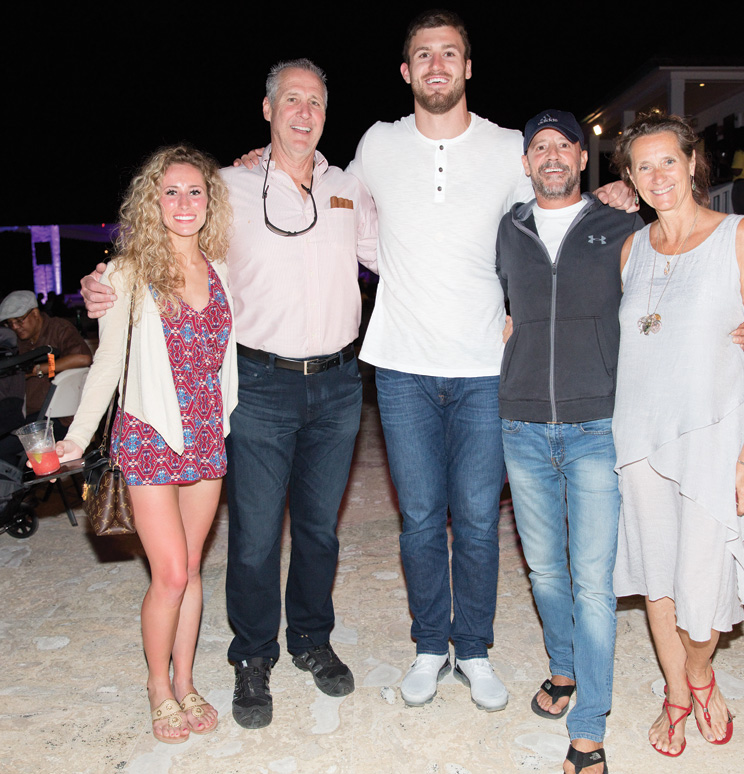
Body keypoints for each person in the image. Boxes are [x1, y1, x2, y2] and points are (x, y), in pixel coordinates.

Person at [233, 13, 633, 717]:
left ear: (468, 67)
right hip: (401, 366)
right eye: (424, 55)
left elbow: (549, 210)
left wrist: (608, 198)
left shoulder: (508, 147)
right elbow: (332, 203)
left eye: (450, 53)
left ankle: (472, 649)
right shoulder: (378, 145)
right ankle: (428, 647)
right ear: (407, 72)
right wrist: (256, 163)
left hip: (485, 367)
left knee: (478, 518)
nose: (437, 65)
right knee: (419, 518)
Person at [80, 59, 378, 730]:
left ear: (327, 115)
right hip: (262, 384)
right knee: (250, 539)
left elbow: (398, 254)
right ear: (268, 110)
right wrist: (102, 285)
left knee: (318, 532)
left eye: (316, 102)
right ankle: (252, 658)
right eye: (291, 100)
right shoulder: (229, 186)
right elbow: (157, 243)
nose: (304, 111)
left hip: (336, 384)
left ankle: (311, 640)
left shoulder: (350, 186)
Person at [610, 111, 744, 757]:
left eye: (669, 162)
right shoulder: (632, 249)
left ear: (692, 163)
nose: (659, 176)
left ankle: (701, 673)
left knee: (701, 593)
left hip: (713, 438)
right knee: (658, 578)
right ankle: (677, 695)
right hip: (639, 438)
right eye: (643, 166)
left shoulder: (738, 236)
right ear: (630, 177)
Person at [58, 145, 237, 743]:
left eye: (194, 192)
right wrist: (76, 437)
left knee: (190, 568)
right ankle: (158, 689)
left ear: (209, 201)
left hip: (207, 435)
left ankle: (185, 682)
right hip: (151, 435)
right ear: (151, 201)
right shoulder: (124, 273)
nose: (183, 203)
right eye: (171, 192)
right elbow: (108, 359)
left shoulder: (222, 269)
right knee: (168, 574)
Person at [496, 110, 643, 774]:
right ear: (526, 163)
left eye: (564, 146)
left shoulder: (621, 225)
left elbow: (677, 274)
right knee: (546, 570)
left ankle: (589, 724)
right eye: (540, 147)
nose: (552, 156)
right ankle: (563, 668)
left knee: (591, 582)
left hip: (595, 428)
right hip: (521, 423)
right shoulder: (507, 228)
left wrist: (735, 324)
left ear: (585, 159)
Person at [0, 290, 92, 464]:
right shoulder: (17, 342)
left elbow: (83, 358)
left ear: (35, 313)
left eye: (19, 321)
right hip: (25, 417)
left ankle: (13, 487)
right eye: (9, 323)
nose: (15, 327)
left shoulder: (58, 328)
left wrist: (39, 369)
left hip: (56, 421)